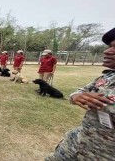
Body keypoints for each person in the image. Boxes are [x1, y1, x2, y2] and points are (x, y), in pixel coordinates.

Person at [45, 28, 115, 160]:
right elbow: (80, 91)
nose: (107, 51)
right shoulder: (108, 77)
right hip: (75, 144)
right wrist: (76, 96)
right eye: (109, 46)